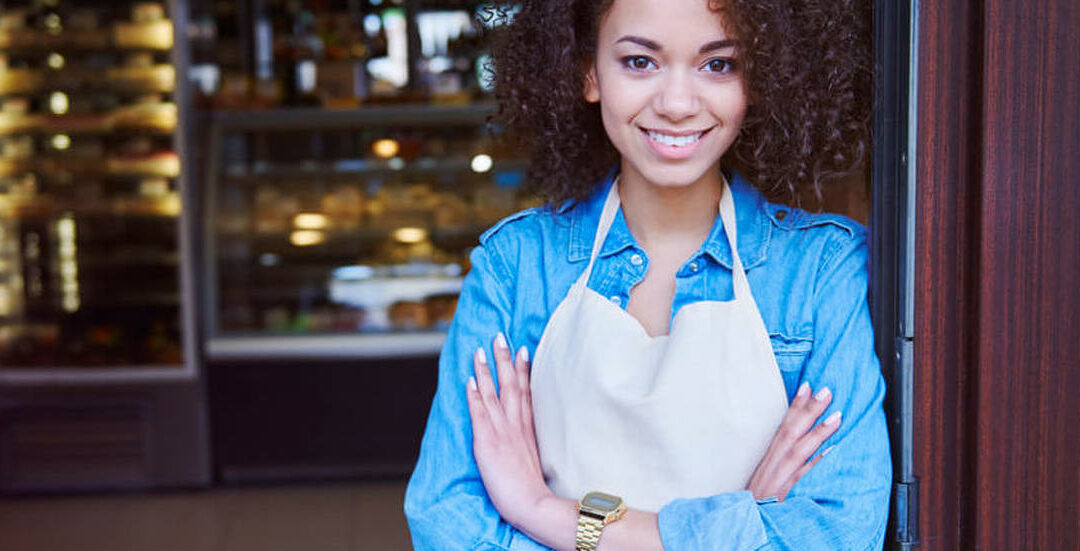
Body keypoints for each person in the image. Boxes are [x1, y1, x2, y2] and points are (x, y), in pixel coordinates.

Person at [404, 0, 891, 549]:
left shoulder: (821, 270)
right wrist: (739, 520)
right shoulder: (515, 266)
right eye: (640, 62)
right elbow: (445, 522)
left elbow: (840, 533)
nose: (677, 104)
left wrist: (543, 511)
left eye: (719, 64)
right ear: (589, 71)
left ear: (761, 76)